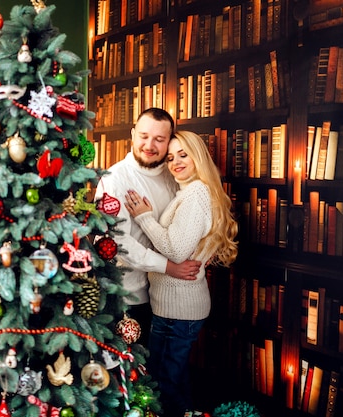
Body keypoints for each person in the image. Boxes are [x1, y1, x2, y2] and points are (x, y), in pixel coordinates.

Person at [124, 130, 239, 417]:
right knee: (173, 378)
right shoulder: (188, 192)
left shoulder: (197, 193)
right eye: (171, 157)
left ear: (197, 156)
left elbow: (175, 252)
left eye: (183, 155)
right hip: (173, 306)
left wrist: (144, 218)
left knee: (163, 382)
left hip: (180, 310)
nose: (175, 162)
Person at [94, 108, 201, 346]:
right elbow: (115, 243)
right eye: (143, 136)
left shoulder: (174, 174)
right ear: (132, 134)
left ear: (169, 141)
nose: (149, 145)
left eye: (159, 139)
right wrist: (170, 267)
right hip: (124, 297)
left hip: (164, 298)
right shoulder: (115, 178)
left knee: (156, 375)